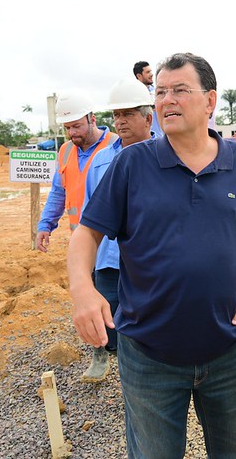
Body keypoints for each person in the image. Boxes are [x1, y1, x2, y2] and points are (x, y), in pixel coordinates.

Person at [68, 52, 236, 457]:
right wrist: (83, 290)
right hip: (149, 355)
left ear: (210, 101)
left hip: (232, 351)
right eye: (160, 92)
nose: (166, 100)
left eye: (180, 90)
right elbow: (86, 234)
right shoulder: (132, 164)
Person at [78, 78, 156, 382]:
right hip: (109, 259)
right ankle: (107, 360)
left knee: (145, 321)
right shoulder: (100, 162)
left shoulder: (166, 158)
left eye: (128, 115)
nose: (120, 122)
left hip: (147, 261)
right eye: (117, 116)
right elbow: (88, 218)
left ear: (148, 118)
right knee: (109, 318)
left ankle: (146, 375)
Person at [36, 92, 117, 252]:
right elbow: (59, 192)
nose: (71, 132)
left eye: (76, 126)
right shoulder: (65, 150)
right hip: (81, 242)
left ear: (92, 119)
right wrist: (45, 224)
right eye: (67, 128)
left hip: (112, 247)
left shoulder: (116, 145)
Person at [134, 60, 164, 138]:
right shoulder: (133, 95)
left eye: (150, 71)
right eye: (147, 72)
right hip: (144, 141)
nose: (151, 74)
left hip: (161, 138)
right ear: (139, 76)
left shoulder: (158, 91)